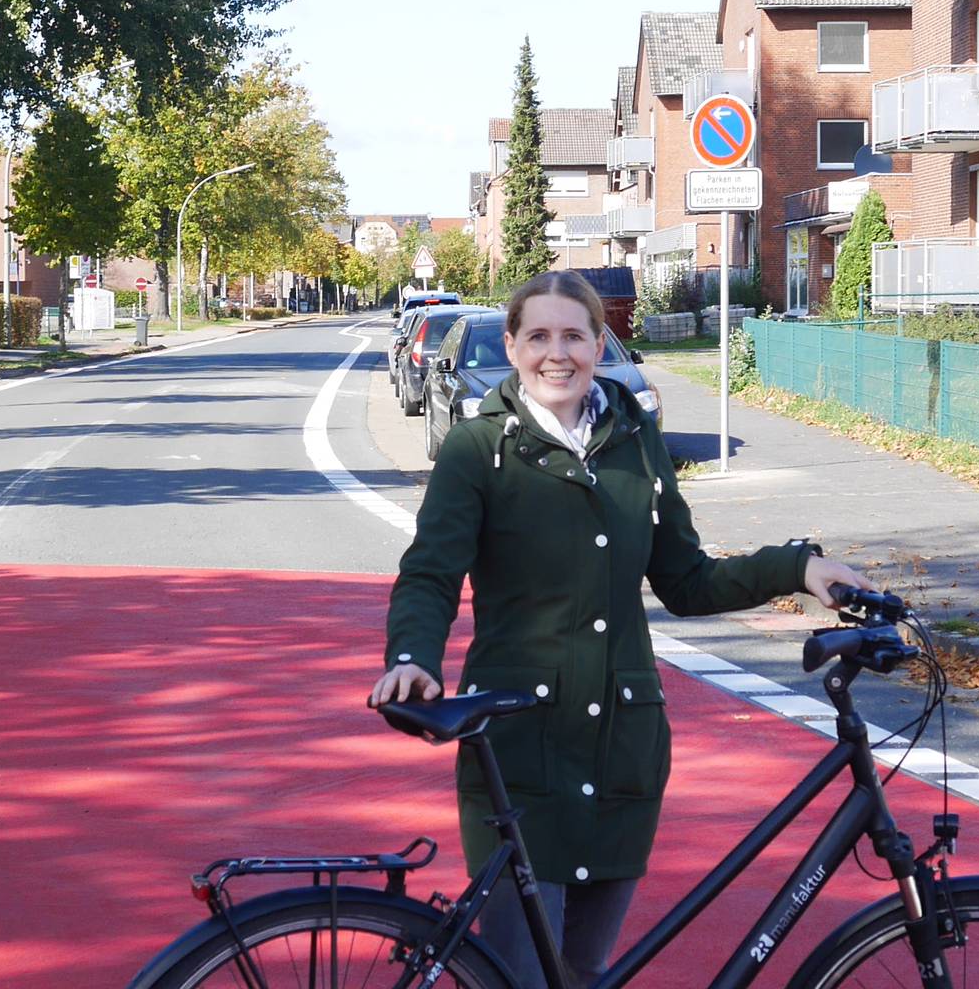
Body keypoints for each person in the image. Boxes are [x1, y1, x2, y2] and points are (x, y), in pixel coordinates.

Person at [369, 269, 864, 988]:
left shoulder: (635, 439)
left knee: (589, 970)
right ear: (512, 346)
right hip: (517, 746)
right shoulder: (479, 450)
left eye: (573, 334)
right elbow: (430, 574)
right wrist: (413, 655)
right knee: (519, 974)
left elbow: (687, 580)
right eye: (538, 335)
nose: (556, 352)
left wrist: (798, 568)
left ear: (600, 344)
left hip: (620, 748)